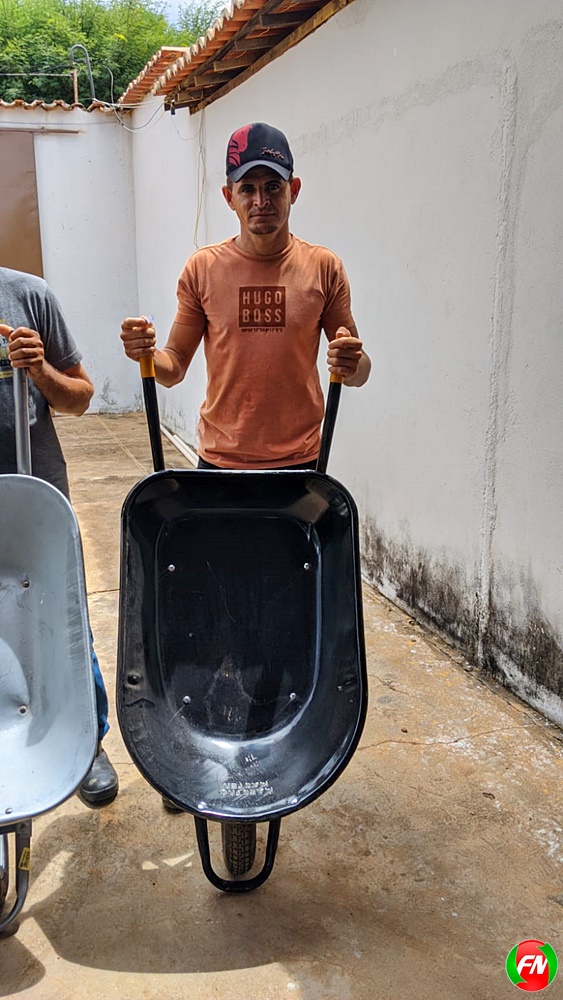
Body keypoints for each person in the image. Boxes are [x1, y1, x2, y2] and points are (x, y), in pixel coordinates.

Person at [120, 121, 371, 472]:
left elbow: (359, 370)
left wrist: (350, 362)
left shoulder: (323, 267)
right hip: (220, 463)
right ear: (229, 197)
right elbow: (173, 366)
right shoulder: (203, 269)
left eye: (273, 187)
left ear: (294, 190)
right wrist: (146, 354)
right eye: (247, 189)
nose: (260, 201)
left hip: (300, 464)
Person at [0, 266, 118, 806]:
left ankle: (87, 743)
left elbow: (80, 397)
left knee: (64, 617)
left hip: (38, 490)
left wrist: (39, 368)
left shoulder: (30, 295)